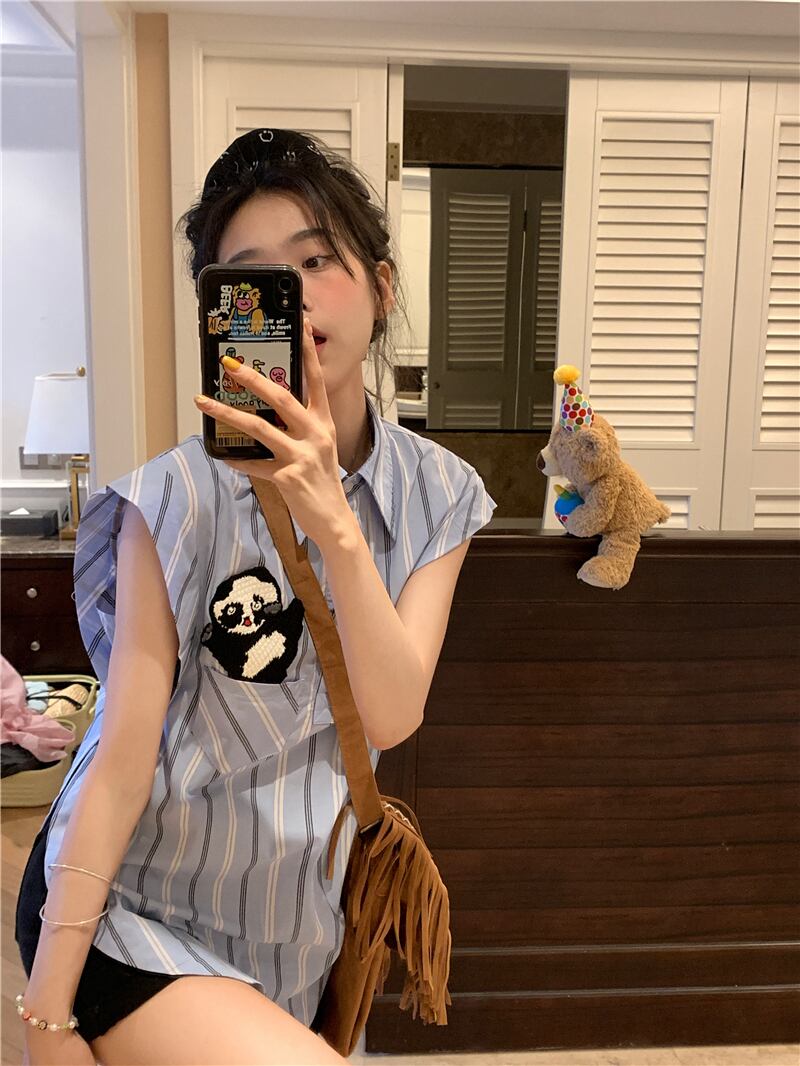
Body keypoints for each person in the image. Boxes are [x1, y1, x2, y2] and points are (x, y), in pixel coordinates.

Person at [15, 129, 496, 1066]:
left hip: (290, 929)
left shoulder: (441, 494)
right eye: (253, 279)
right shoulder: (176, 497)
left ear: (381, 288)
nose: (295, 297)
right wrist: (46, 1015)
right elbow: (118, 764)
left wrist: (333, 519)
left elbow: (393, 713)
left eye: (315, 262)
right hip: (133, 913)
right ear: (220, 316)